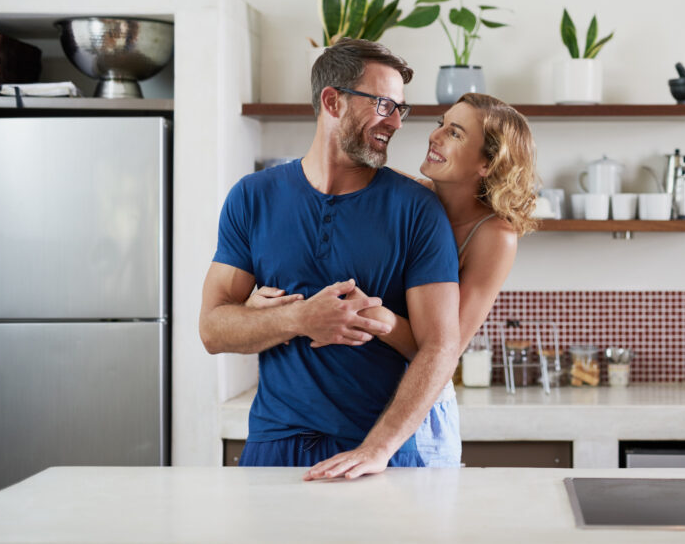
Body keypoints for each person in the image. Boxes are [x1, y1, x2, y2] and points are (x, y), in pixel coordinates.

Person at [198, 38, 462, 480]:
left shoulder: (417, 209)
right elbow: (211, 329)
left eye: (401, 108)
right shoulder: (253, 197)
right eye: (383, 104)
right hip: (274, 450)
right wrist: (298, 318)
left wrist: (378, 450)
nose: (396, 122)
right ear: (332, 100)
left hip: (380, 457)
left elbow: (440, 347)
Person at [251, 92, 538, 472]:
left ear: (487, 163)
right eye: (440, 124)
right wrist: (266, 306)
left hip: (418, 413)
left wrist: (376, 316)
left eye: (454, 133)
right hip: (360, 405)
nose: (435, 136)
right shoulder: (408, 197)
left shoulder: (494, 235)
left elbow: (444, 350)